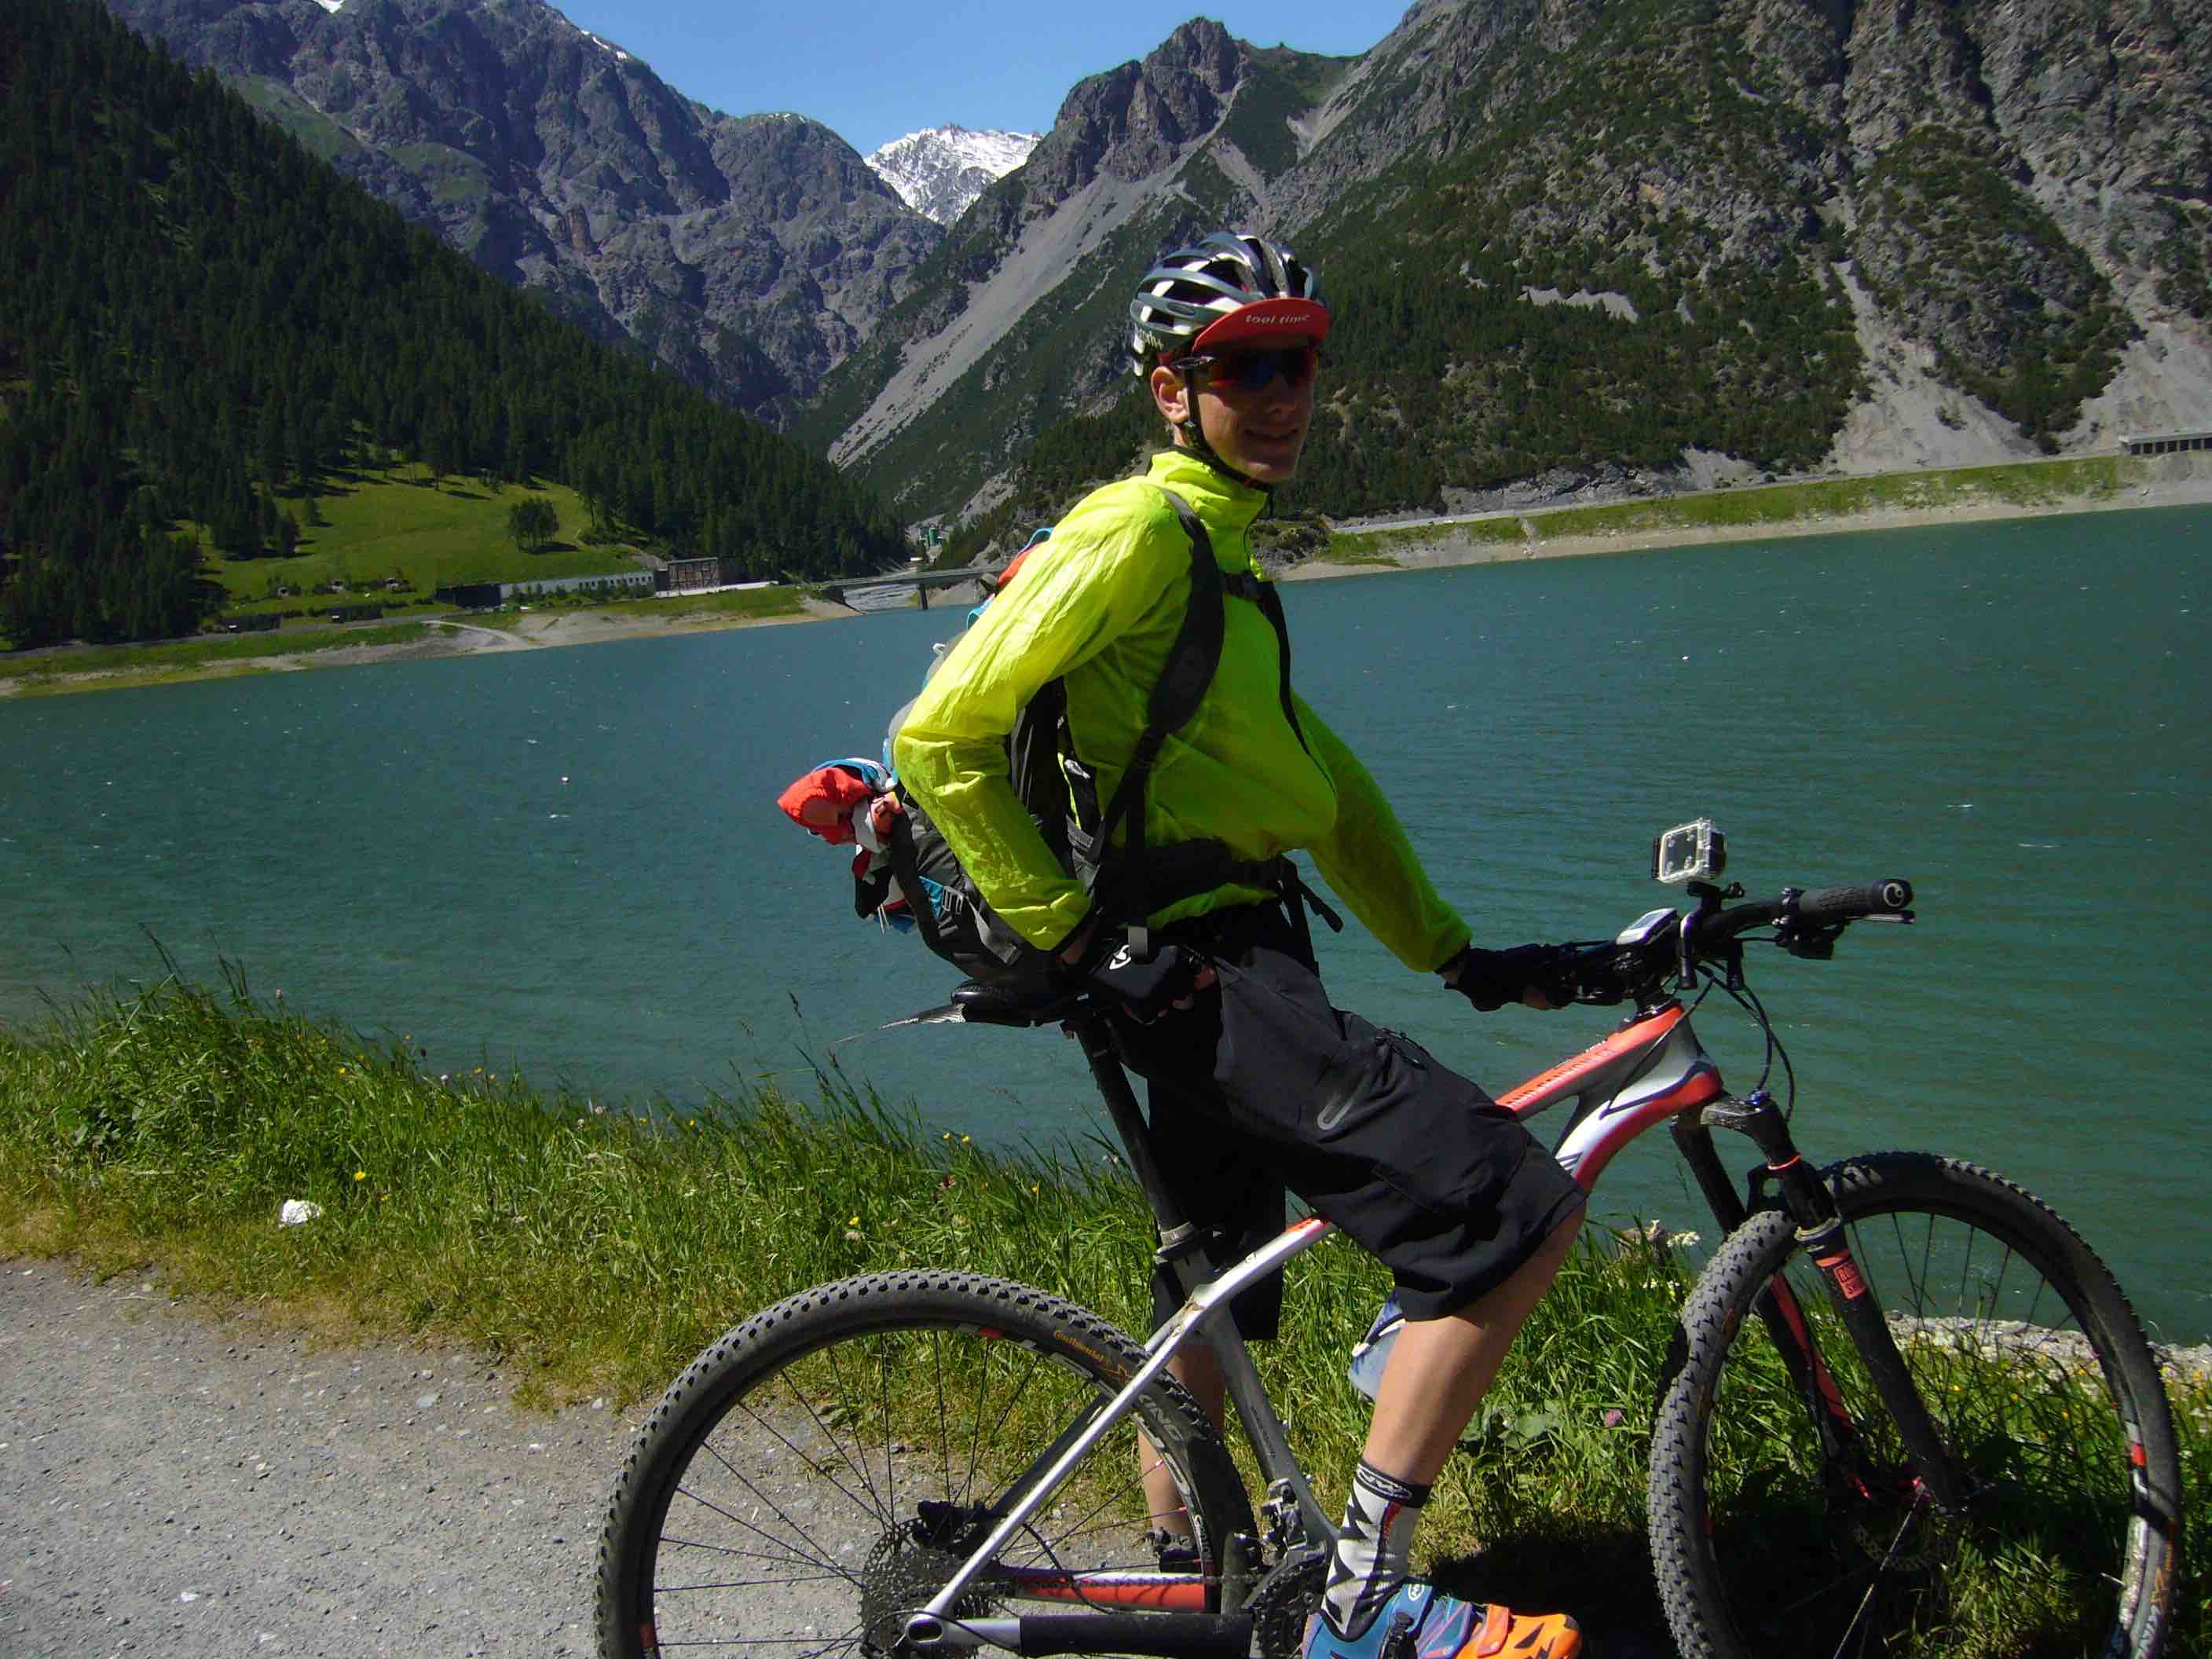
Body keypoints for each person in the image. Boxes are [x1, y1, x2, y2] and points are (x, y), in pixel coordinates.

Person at [891, 231, 1588, 1659]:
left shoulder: (1226, 565)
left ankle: (1197, 1596)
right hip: (1186, 965)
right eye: (1243, 368)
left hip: (1228, 953)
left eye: (1300, 366)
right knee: (1507, 1205)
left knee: (1214, 1294)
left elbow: (1329, 794)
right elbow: (938, 736)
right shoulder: (1143, 536)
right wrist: (1082, 940)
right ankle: (1365, 1603)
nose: (1282, 395)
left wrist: (1458, 957)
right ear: (1172, 391)